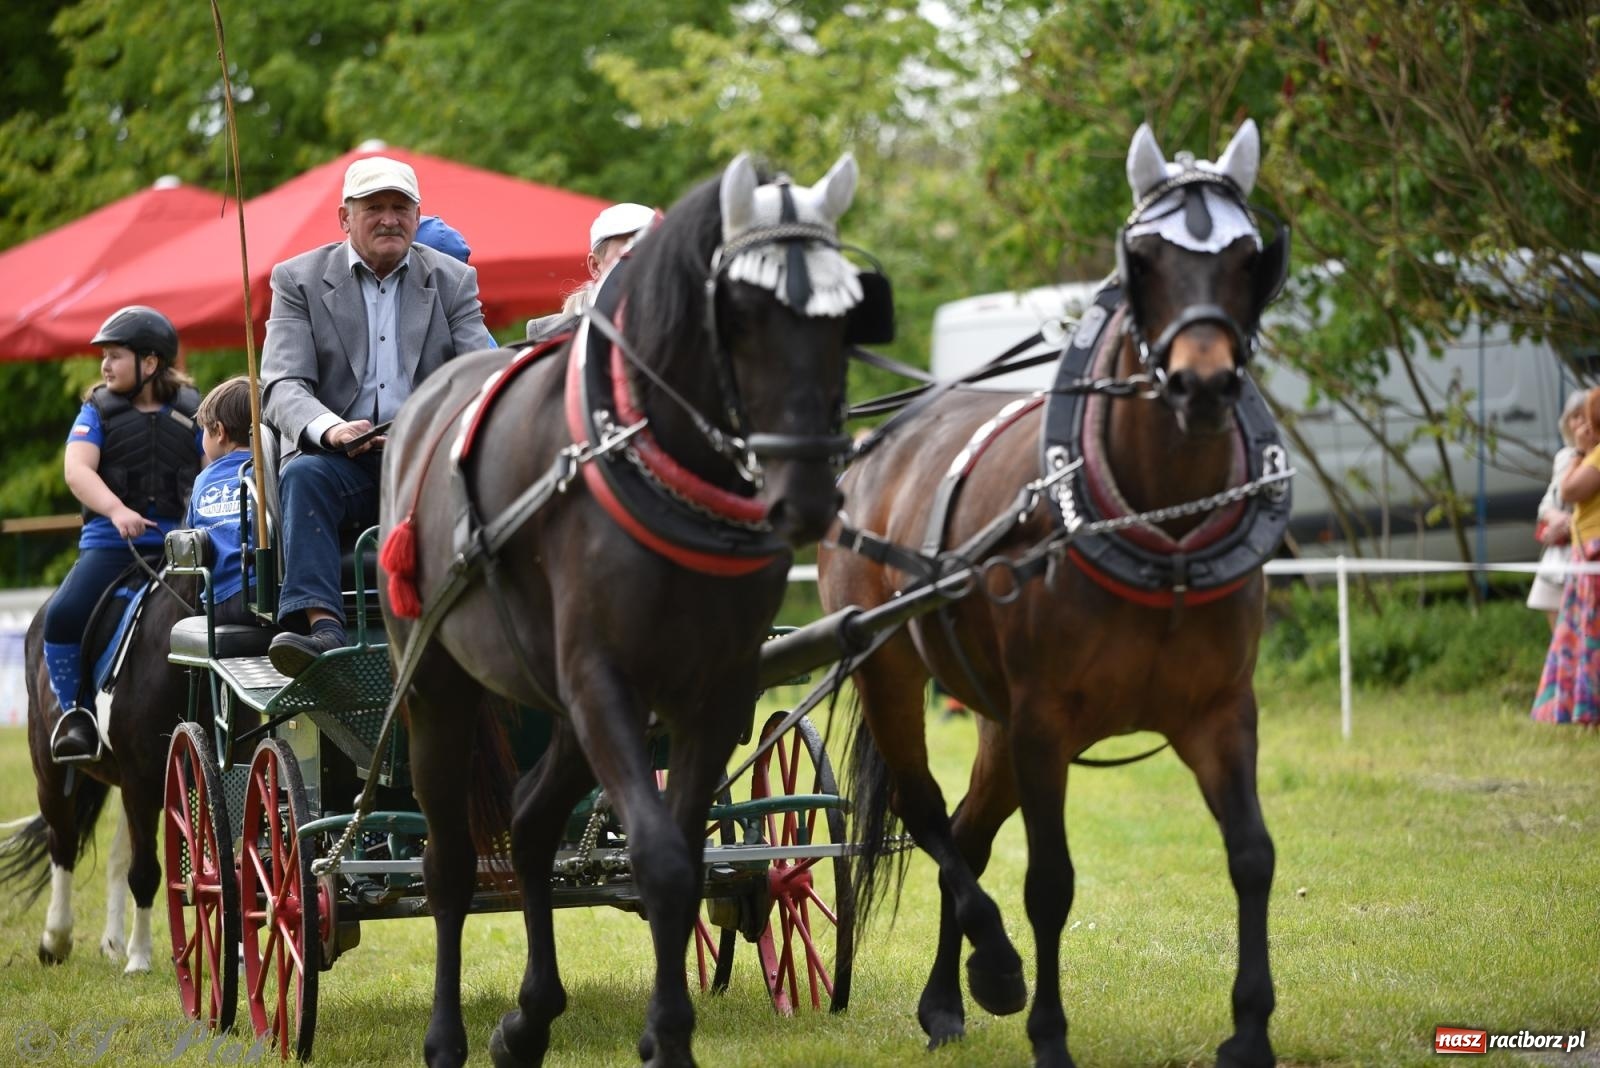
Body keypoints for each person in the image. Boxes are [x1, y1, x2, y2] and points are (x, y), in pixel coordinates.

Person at [261, 156, 493, 677]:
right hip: (340, 461)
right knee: (304, 475)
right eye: (374, 208)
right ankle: (323, 630)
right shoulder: (296, 280)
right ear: (345, 218)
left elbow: (480, 374)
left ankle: (492, 618)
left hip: (428, 459)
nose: (389, 219)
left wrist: (428, 431)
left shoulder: (454, 280)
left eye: (400, 207)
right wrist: (332, 430)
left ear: (417, 216)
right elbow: (282, 385)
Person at [45, 305, 202, 761]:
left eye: (115, 355)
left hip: (184, 547)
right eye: (104, 356)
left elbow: (215, 466)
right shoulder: (96, 410)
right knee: (62, 615)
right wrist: (116, 510)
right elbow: (77, 470)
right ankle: (76, 716)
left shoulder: (193, 410)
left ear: (149, 363)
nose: (104, 366)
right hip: (113, 545)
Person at [1531, 386, 1600, 727]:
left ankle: (1587, 707)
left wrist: (1581, 452)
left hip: (1591, 553)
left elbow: (1570, 490)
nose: (1580, 425)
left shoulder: (1592, 456)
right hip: (1578, 552)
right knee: (1575, 631)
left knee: (1588, 632)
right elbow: (1553, 498)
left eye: (1586, 418)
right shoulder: (1574, 456)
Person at [526, 201, 656, 340]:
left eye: (654, 254)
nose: (644, 265)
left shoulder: (671, 329)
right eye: (626, 255)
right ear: (595, 266)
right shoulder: (555, 340)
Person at [187, 375, 255, 624]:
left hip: (218, 603)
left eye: (204, 430)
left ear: (219, 432)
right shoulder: (269, 470)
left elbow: (194, 538)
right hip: (265, 595)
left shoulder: (203, 480)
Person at [1527, 389, 1587, 626]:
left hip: (1586, 552)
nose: (1580, 423)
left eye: (1586, 416)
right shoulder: (1564, 457)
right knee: (1560, 632)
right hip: (1559, 557)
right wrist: (1554, 520)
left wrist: (1569, 525)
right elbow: (1549, 502)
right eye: (1575, 416)